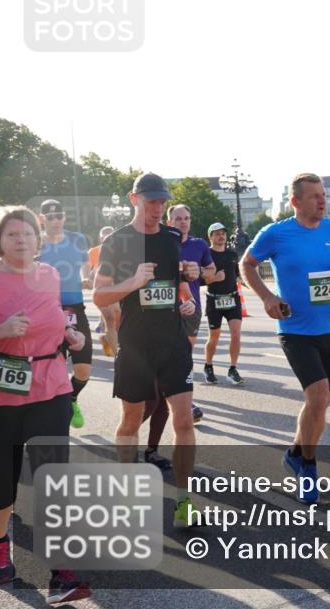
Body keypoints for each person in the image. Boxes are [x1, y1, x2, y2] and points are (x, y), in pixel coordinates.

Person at [241, 173, 330, 504]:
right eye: (314, 196)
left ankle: (296, 453)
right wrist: (267, 297)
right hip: (295, 330)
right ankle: (308, 467)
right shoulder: (276, 233)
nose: (322, 201)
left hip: (329, 330)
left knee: (318, 406)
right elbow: (247, 264)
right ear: (296, 201)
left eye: (323, 195)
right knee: (319, 396)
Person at [92, 173, 203, 526]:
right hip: (135, 345)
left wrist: (188, 282)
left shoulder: (171, 237)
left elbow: (177, 281)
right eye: (151, 200)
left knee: (183, 420)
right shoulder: (117, 242)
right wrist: (133, 282)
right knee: (130, 420)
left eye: (162, 201)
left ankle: (184, 502)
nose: (158, 207)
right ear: (134, 199)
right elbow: (99, 295)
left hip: (173, 343)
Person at [0, 206, 92, 602]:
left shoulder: (50, 274)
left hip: (51, 387)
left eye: (28, 234)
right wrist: (0, 330)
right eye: (12, 234)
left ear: (38, 239)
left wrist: (70, 335)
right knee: (1, 482)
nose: (21, 240)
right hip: (1, 394)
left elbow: (54, 317)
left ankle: (61, 573)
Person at [37, 200, 94, 429]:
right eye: (50, 217)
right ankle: (53, 415)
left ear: (65, 217)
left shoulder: (77, 239)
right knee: (52, 370)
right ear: (42, 219)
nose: (56, 221)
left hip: (75, 309)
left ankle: (72, 398)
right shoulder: (35, 243)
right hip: (47, 312)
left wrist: (87, 277)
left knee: (83, 370)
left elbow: (85, 266)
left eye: (59, 216)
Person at [166, 204, 216, 422]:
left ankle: (184, 399)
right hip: (165, 308)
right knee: (169, 355)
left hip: (191, 306)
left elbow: (212, 271)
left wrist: (199, 270)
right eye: (178, 219)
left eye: (186, 218)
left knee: (185, 355)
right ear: (169, 222)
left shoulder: (199, 244)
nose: (183, 222)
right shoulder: (162, 244)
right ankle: (180, 400)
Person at [203, 222, 245, 386]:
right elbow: (200, 279)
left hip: (232, 299)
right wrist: (214, 278)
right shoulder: (206, 254)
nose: (221, 236)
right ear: (211, 237)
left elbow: (237, 275)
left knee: (236, 334)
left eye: (223, 233)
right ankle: (208, 366)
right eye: (217, 233)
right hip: (214, 300)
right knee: (214, 337)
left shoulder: (232, 254)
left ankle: (232, 369)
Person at [89, 226, 119, 358]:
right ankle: (117, 355)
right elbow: (89, 271)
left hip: (118, 289)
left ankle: (109, 339)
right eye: (104, 237)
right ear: (100, 239)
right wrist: (89, 278)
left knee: (117, 319)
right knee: (110, 319)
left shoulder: (121, 250)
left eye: (110, 237)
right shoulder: (93, 252)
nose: (107, 239)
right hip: (102, 290)